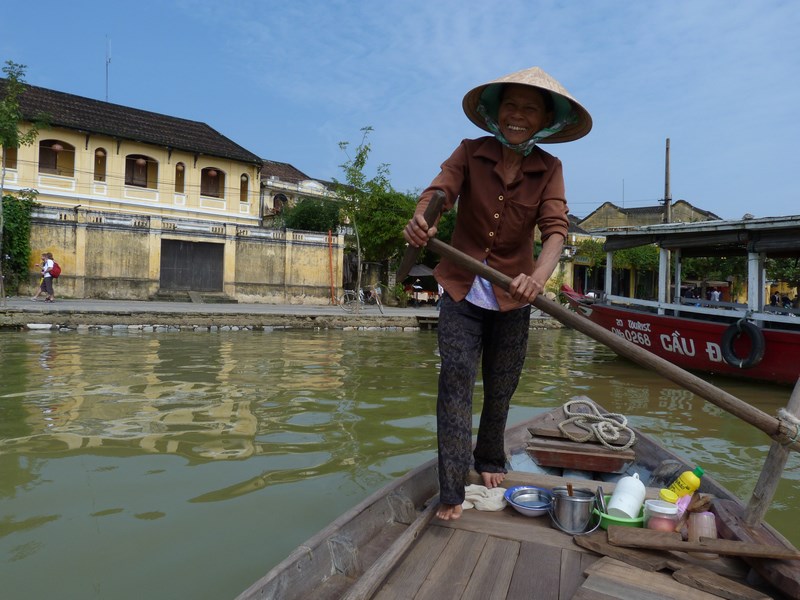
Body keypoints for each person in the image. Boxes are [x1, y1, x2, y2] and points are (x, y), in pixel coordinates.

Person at [403, 66, 591, 520]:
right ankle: (451, 490)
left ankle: (489, 457)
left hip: (515, 295)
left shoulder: (549, 168)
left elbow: (555, 231)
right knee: (455, 382)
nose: (517, 116)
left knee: (501, 385)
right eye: (510, 105)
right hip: (461, 287)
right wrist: (423, 218)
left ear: (545, 119)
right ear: (495, 112)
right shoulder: (471, 152)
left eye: (529, 109)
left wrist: (538, 277)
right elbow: (440, 190)